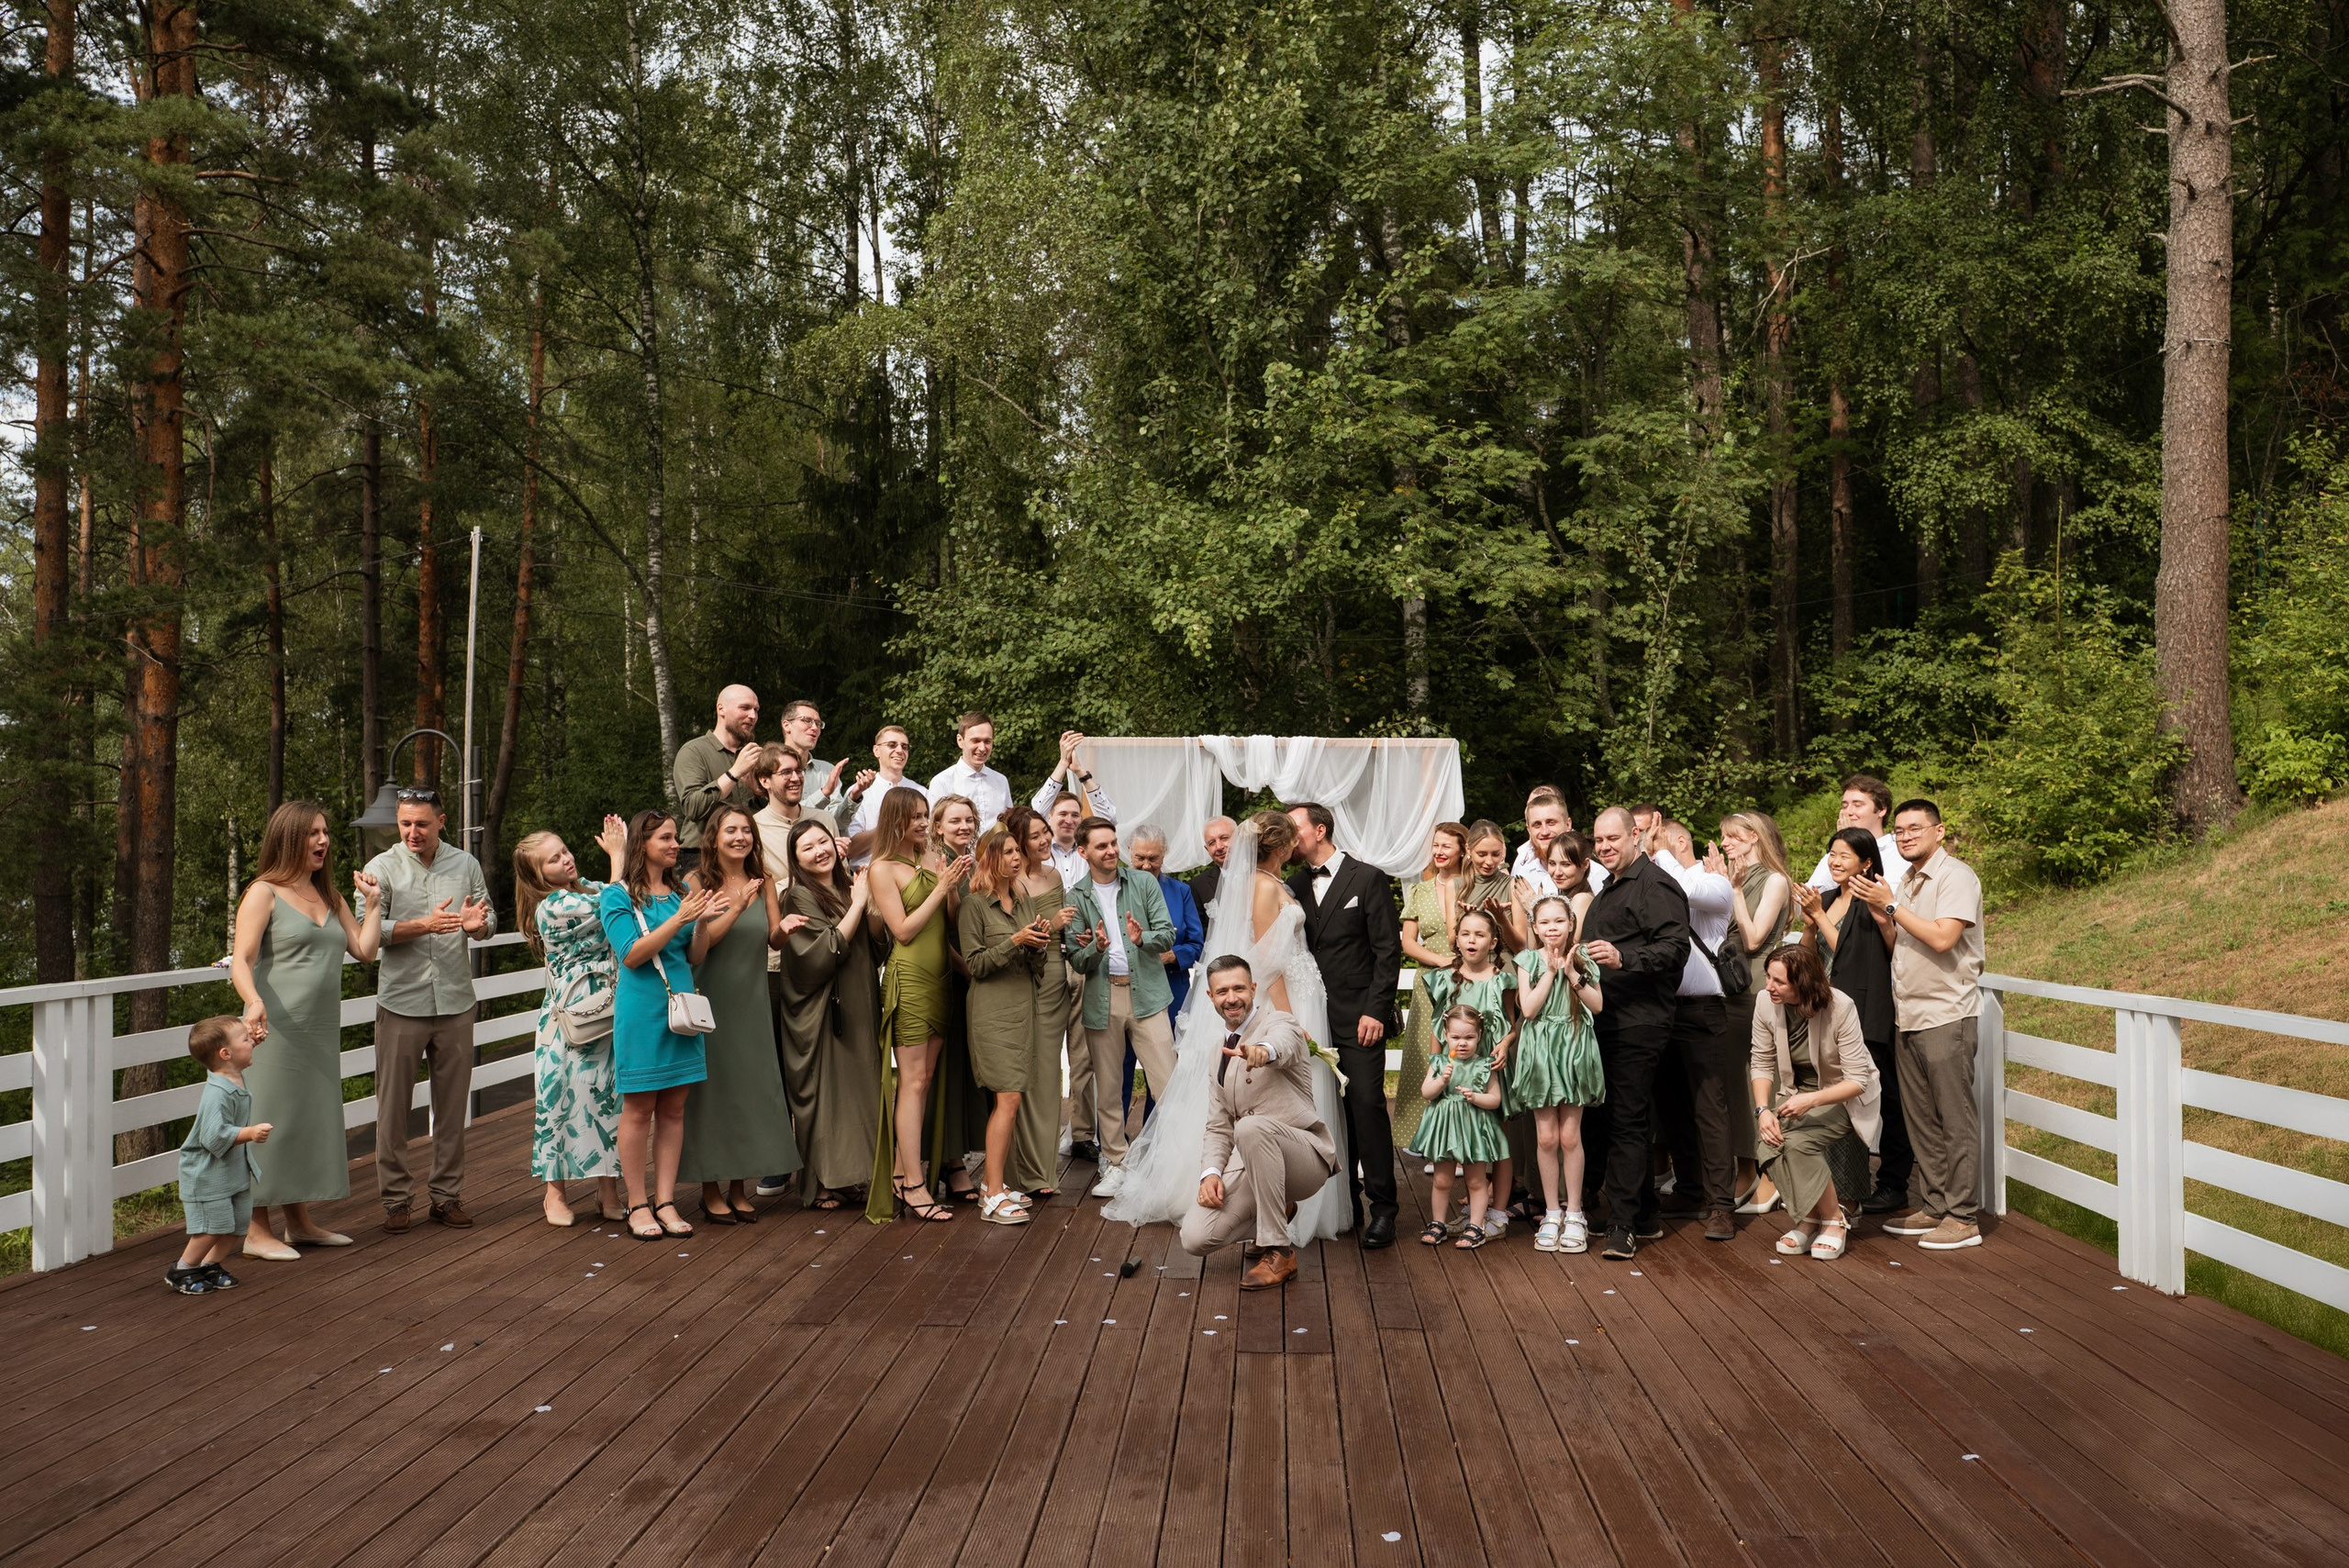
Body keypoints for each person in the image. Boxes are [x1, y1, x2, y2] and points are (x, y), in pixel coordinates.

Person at [1106, 811, 1354, 1248]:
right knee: (1279, 1089)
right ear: (1280, 847)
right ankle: (1266, 1199)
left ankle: (1296, 1193)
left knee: (1298, 1093)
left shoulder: (1275, 883)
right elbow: (1265, 960)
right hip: (1286, 1001)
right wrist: (1287, 1021)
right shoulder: (1261, 886)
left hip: (1303, 993)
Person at [230, 801, 384, 1261]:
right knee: (268, 1119)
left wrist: (375, 905)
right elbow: (242, 958)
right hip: (270, 1026)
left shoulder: (329, 895)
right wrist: (254, 1001)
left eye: (325, 832)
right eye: (312, 833)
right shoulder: (264, 892)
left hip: (318, 1030)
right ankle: (256, 1230)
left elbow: (365, 950)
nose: (323, 841)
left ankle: (299, 1223)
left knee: (303, 1120)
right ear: (288, 838)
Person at [359, 788, 494, 1233]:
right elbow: (370, 933)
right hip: (401, 1002)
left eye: (421, 823)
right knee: (393, 1109)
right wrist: (425, 925)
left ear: (441, 820)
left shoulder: (466, 864)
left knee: (452, 1109)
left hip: (455, 1000)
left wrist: (479, 927)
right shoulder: (382, 868)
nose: (412, 832)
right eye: (404, 824)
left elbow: (486, 918)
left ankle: (446, 1197)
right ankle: (396, 1201)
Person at [1859, 800, 1987, 1251]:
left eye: (1916, 828)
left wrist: (1890, 906)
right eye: (1899, 831)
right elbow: (1904, 944)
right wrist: (1884, 918)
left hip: (1946, 1013)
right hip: (1908, 1013)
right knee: (1921, 1120)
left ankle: (1963, 1216)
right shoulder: (1908, 880)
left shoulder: (1956, 876)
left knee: (1954, 1119)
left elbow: (1943, 937)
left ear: (1939, 831)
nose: (1906, 836)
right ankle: (1935, 1205)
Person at [1180, 956, 1339, 1289]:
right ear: (1211, 997)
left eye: (1239, 988)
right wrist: (1210, 1174)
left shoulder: (1281, 1023)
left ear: (1253, 989)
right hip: (1256, 1163)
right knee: (1194, 1239)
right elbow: (1217, 1126)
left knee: (1250, 1128)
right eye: (1222, 991)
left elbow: (1283, 1044)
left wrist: (1262, 1052)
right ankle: (1279, 1209)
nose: (1232, 998)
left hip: (1304, 1158)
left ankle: (1279, 1252)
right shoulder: (1216, 1055)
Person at [1286, 800, 1403, 1249]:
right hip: (1312, 1017)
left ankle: (1383, 1209)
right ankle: (1345, 1203)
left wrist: (1376, 1009)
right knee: (1324, 1112)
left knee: (1367, 1106)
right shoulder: (1292, 884)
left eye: (1295, 828)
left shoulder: (1367, 877)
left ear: (1319, 829)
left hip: (1360, 1018)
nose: (1289, 836)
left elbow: (1387, 952)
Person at [680, 803, 803, 1224]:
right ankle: (710, 1188)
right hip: (711, 999)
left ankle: (739, 1187)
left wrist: (783, 930)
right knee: (713, 1093)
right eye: (731, 830)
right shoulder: (696, 881)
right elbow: (702, 943)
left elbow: (772, 938)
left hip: (751, 1000)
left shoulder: (764, 881)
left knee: (750, 1090)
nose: (740, 837)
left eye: (746, 831)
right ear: (713, 837)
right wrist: (734, 907)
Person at [1579, 806, 1693, 1262]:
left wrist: (1623, 958)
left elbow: (1675, 948)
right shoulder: (1609, 887)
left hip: (1639, 1021)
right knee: (1614, 1119)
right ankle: (1643, 1214)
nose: (1605, 846)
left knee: (1626, 1121)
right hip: (1605, 1020)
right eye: (1599, 840)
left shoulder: (1656, 884)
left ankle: (1623, 1224)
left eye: (1613, 838)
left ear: (1636, 835)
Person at [599, 809, 718, 1240]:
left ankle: (665, 1200)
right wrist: (681, 918)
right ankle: (637, 1203)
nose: (674, 845)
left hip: (681, 1010)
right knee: (638, 1110)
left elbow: (695, 956)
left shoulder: (681, 891)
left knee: (673, 1109)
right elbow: (630, 954)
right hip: (644, 1012)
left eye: (674, 838)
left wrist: (702, 919)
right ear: (642, 844)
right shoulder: (617, 895)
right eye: (666, 838)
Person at [514, 817, 629, 1228]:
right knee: (560, 1101)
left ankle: (609, 1190)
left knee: (607, 1099)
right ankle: (554, 1194)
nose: (566, 860)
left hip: (611, 1010)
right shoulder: (553, 907)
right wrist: (617, 855)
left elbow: (625, 894)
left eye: (564, 851)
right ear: (537, 875)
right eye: (553, 860)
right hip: (571, 1020)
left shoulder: (591, 888)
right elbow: (612, 906)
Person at [867, 787, 973, 1222]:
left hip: (941, 979)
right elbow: (904, 930)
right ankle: (913, 1185)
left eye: (926, 816)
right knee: (911, 1083)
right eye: (914, 816)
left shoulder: (931, 860)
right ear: (895, 819)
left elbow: (945, 922)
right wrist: (941, 886)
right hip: (908, 979)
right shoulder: (881, 869)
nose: (922, 823)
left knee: (925, 1081)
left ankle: (900, 1172)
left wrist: (949, 889)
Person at [1794, 827, 1908, 1215]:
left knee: (1857, 1102)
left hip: (1859, 1012)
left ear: (1867, 862)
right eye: (1832, 853)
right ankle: (1823, 1195)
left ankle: (1856, 1194)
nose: (1835, 861)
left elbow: (1851, 955)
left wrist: (1819, 916)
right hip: (1819, 1010)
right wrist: (1810, 925)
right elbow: (1806, 959)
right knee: (1823, 1100)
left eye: (1845, 855)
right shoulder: (1824, 898)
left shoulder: (1868, 901)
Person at [1066, 817, 1178, 1198]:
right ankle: (1115, 1163)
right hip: (1102, 997)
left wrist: (1141, 936)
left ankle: (1186, 1161)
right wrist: (1095, 949)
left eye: (1114, 843)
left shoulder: (1144, 883)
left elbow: (1167, 933)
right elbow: (1078, 960)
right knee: (1110, 1088)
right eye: (1102, 846)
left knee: (1169, 1083)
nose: (1111, 851)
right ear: (1083, 852)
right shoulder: (1075, 897)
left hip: (1147, 994)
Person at [778, 816, 885, 1209]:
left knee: (860, 1090)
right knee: (825, 1095)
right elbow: (822, 953)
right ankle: (821, 1180)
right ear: (796, 859)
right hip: (822, 1009)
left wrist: (869, 899)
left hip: (860, 999)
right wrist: (857, 904)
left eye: (823, 842)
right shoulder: (797, 897)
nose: (819, 851)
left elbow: (877, 947)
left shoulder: (847, 885)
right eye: (807, 847)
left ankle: (851, 1174)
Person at [1750, 944, 1882, 1262]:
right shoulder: (1765, 1003)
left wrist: (1810, 1100)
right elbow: (1761, 1061)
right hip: (1797, 1094)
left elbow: (1856, 1080)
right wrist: (1763, 1110)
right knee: (1767, 1141)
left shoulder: (1840, 1007)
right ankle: (1810, 1219)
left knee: (1798, 1143)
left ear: (1803, 983)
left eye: (1779, 982)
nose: (1769, 986)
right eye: (1768, 977)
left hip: (1842, 1096)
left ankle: (1834, 1221)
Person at [1653, 821, 1740, 1242]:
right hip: (1660, 1009)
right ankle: (1689, 1189)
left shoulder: (1711, 880)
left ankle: (1722, 1204)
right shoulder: (1650, 881)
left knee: (1710, 1109)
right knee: (1670, 1107)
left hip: (1703, 1010)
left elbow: (1684, 893)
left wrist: (1660, 851)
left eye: (1650, 837)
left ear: (1678, 841)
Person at [959, 824, 1049, 1225]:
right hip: (991, 1012)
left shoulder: (1025, 902)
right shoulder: (974, 905)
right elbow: (975, 964)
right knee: (1007, 1099)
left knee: (1010, 1100)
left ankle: (994, 1185)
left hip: (1022, 1007)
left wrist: (1039, 944)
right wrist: (1014, 941)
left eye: (1018, 851)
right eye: (1009, 851)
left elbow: (1037, 968)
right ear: (990, 858)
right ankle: (992, 1193)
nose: (1017, 857)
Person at [1510, 895, 1606, 1252]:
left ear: (1570, 924)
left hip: (1574, 1048)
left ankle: (1575, 1212)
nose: (1552, 929)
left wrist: (1570, 971)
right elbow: (1529, 1009)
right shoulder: (1527, 961)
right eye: (1545, 923)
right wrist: (1551, 971)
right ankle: (1551, 1212)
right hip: (1540, 1053)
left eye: (1559, 922)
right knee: (1546, 1137)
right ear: (1535, 927)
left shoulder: (1584, 960)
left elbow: (1597, 1004)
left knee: (1570, 1137)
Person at [1419, 905, 1520, 1236]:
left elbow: (1513, 1022)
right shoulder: (1445, 978)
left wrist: (1505, 1045)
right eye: (1465, 934)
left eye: (1480, 934)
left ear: (1493, 942)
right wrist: (1436, 1066)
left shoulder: (1502, 979)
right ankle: (1476, 1209)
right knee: (1462, 1134)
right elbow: (1439, 1028)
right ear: (1457, 940)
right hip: (1455, 1066)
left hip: (1490, 1063)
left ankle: (1499, 1212)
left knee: (1497, 1137)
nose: (1471, 940)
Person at [1714, 810, 1794, 1213]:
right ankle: (1745, 1167)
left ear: (1753, 838)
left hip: (1760, 985)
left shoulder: (1775, 880)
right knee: (1735, 1078)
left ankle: (1771, 1175)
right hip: (1730, 987)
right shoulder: (1734, 880)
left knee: (1761, 1076)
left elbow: (1752, 938)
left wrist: (1735, 891)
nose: (1725, 843)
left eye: (1731, 837)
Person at [168, 1017, 271, 1295]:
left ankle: (210, 1265)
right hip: (207, 1174)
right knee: (213, 1227)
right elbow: (212, 1137)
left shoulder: (230, 1071)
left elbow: (237, 1056)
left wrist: (250, 1044)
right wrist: (249, 1133)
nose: (252, 1041)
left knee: (237, 1224)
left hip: (231, 1170)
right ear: (226, 1054)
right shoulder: (217, 1093)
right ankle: (183, 1269)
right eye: (246, 1039)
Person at [1007, 805, 1080, 1190]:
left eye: (1045, 833)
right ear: (1018, 842)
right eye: (1035, 836)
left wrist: (1079, 938)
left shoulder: (1054, 875)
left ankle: (1043, 1169)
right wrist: (1052, 925)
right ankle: (1022, 1171)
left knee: (1051, 1072)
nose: (1045, 840)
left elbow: (1063, 935)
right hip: (1022, 978)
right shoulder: (1010, 882)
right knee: (1026, 1070)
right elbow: (1011, 935)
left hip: (1055, 979)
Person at [925, 794, 989, 1203]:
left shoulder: (977, 864)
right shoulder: (936, 863)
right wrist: (965, 967)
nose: (963, 826)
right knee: (944, 1071)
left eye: (969, 820)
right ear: (937, 827)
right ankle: (947, 1162)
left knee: (967, 1068)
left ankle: (957, 1155)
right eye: (955, 821)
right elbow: (939, 928)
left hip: (977, 974)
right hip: (948, 973)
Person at [1394, 822, 1471, 1157]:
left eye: (1446, 846)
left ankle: (1458, 1141)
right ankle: (1422, 1138)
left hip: (1467, 979)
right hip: (1430, 981)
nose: (1439, 852)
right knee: (1426, 1057)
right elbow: (1408, 944)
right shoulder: (1420, 891)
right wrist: (1440, 961)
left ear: (1462, 850)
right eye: (1435, 845)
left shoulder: (1472, 886)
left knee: (1461, 1055)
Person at [1410, 1006, 1510, 1248]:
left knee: (1476, 1181)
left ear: (1479, 1036)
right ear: (1445, 1035)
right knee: (1442, 1180)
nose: (1462, 1043)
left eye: (1469, 1037)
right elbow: (1427, 1092)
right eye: (1455, 1037)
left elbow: (1495, 1099)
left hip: (1473, 1129)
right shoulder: (1439, 1062)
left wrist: (1476, 1097)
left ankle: (1475, 1226)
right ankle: (1438, 1223)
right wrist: (1441, 1080)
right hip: (1445, 1128)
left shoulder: (1484, 1065)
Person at [672, 684, 764, 873]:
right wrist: (734, 773)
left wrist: (758, 793)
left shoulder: (752, 755)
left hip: (747, 856)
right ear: (721, 709)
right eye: (745, 708)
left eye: (756, 710)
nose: (753, 716)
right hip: (703, 857)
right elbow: (692, 807)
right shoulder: (694, 751)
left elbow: (757, 815)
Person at [1805, 774, 1903, 896]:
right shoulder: (1836, 849)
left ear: (1881, 810)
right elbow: (1813, 892)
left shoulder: (1896, 851)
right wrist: (1842, 844)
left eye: (1857, 805)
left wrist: (1851, 843)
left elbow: (1883, 897)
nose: (1848, 812)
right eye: (1845, 806)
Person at [844, 726, 929, 865]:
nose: (900, 751)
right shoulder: (860, 791)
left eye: (905, 746)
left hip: (913, 873)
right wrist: (890, 826)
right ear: (876, 750)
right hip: (869, 874)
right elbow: (851, 849)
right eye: (892, 745)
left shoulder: (921, 792)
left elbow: (929, 839)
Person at [927, 711, 1015, 826]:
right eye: (976, 741)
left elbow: (1010, 825)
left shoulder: (1001, 781)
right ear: (960, 741)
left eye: (987, 741)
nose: (982, 748)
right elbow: (933, 830)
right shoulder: (942, 782)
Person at [1030, 728, 1119, 824]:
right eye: (1063, 814)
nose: (1069, 821)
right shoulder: (1045, 835)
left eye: (1075, 815)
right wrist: (1063, 763)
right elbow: (1038, 813)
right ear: (1049, 817)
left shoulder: (1084, 837)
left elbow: (1109, 820)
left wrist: (1080, 772)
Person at [1462, 820, 1524, 948]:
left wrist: (1501, 918)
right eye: (1482, 854)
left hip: (1505, 963)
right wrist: (1470, 918)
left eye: (1496, 854)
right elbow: (1452, 944)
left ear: (1503, 851)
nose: (1489, 861)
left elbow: (1521, 948)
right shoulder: (1455, 886)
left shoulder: (1513, 885)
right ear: (1468, 849)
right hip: (1469, 964)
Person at [1509, 788, 1572, 898]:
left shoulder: (1592, 874)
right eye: (1537, 825)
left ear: (1568, 824)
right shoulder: (1523, 877)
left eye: (1551, 822)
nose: (1544, 832)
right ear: (1529, 830)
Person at [1189, 815, 1237, 911]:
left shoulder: (1259, 874)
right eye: (1212, 843)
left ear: (1239, 838)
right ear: (1207, 849)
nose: (1219, 847)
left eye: (1224, 838)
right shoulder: (1197, 885)